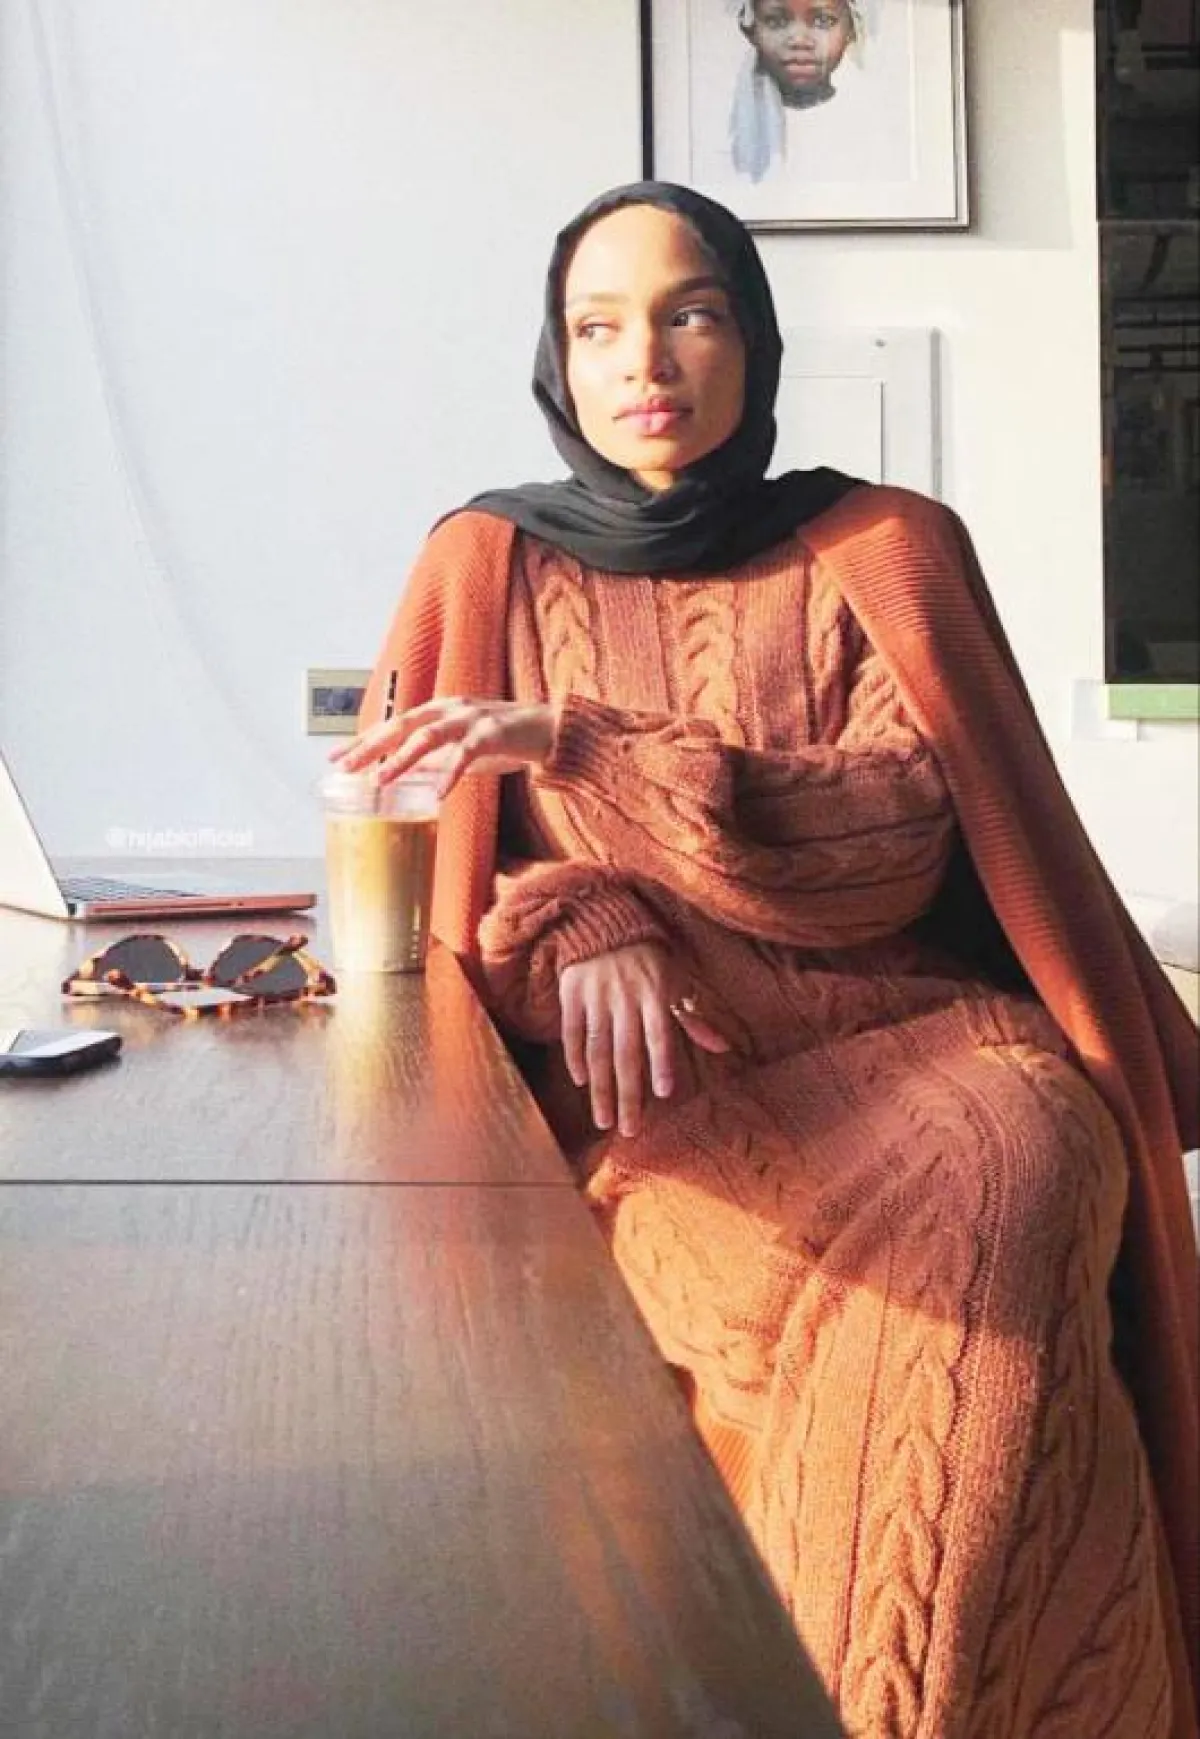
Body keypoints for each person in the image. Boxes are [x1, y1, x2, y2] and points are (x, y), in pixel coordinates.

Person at [334, 182, 1199, 1737]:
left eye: (691, 311)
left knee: (1018, 1179)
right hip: (673, 1107)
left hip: (934, 1050)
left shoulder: (883, 545)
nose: (644, 358)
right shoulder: (484, 560)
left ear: (754, 336)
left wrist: (580, 741)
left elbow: (892, 838)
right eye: (598, 326)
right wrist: (582, 913)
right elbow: (432, 887)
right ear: (557, 359)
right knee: (929, 1353)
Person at [729, 0, 875, 182]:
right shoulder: (720, 135)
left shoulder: (873, 129)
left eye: (823, 21)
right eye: (776, 21)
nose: (799, 41)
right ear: (750, 29)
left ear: (851, 29)